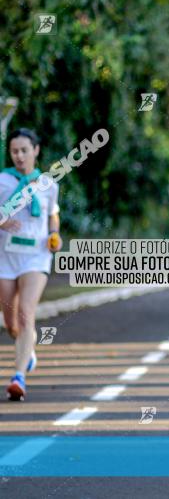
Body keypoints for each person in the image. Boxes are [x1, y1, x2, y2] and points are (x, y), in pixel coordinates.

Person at [0, 129, 63, 401]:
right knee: (11, 323)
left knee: (27, 313)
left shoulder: (48, 184)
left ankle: (19, 377)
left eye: (25, 150)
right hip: (6, 257)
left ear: (36, 151)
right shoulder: (2, 181)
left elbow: (53, 216)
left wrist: (54, 235)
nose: (19, 156)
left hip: (37, 256)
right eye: (15, 151)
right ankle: (29, 352)